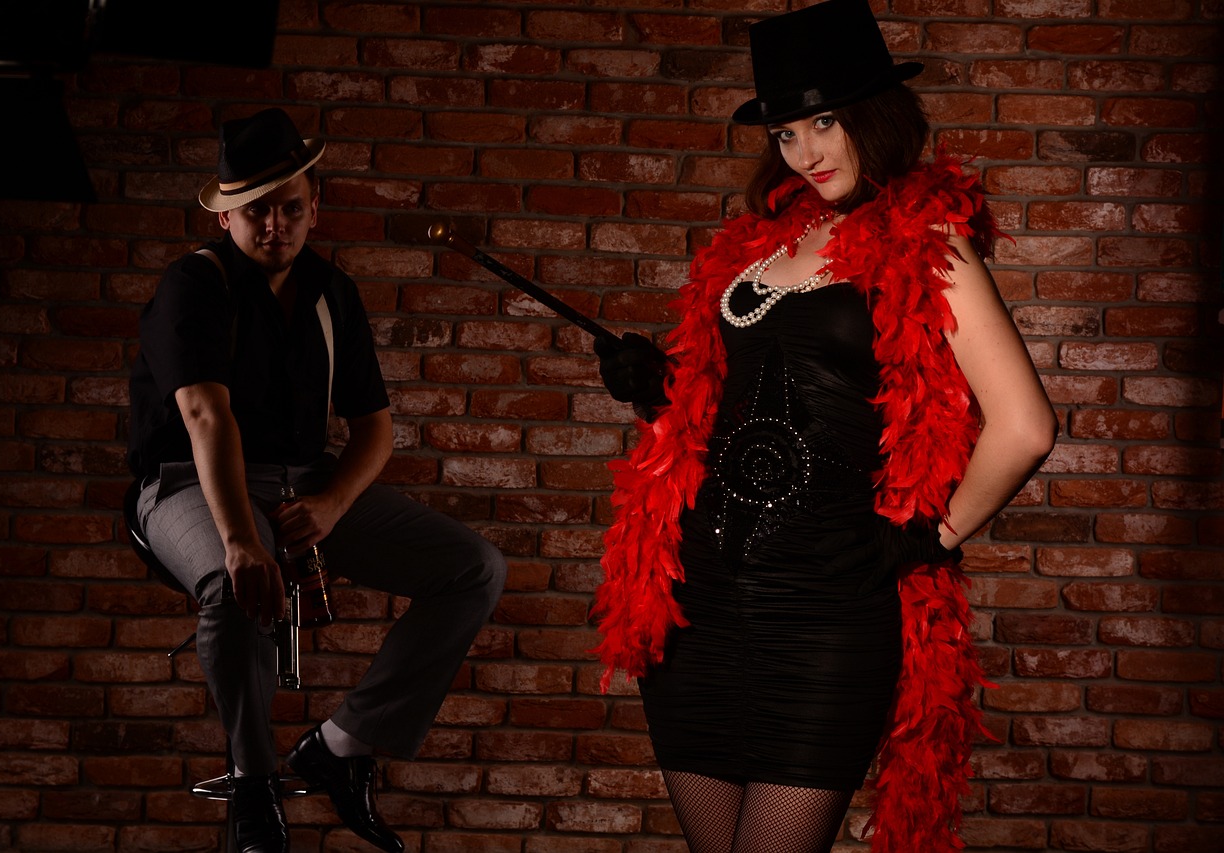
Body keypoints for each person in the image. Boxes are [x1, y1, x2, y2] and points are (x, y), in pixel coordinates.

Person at [591, 1, 1057, 851]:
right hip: (697, 606)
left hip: (824, 614)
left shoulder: (931, 244)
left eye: (823, 123)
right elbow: (730, 403)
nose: (803, 153)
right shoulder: (764, 243)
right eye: (785, 134)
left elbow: (1025, 426)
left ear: (871, 116)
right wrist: (656, 389)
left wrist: (928, 537)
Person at [128, 108, 507, 853]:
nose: (277, 225)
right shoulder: (193, 286)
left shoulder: (334, 292)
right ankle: (255, 787)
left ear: (315, 204)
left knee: (473, 568)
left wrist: (333, 502)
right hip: (186, 481)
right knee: (234, 582)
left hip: (304, 482)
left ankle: (338, 746)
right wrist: (241, 539)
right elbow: (207, 417)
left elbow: (374, 427)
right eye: (258, 211)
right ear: (228, 213)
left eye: (292, 207)